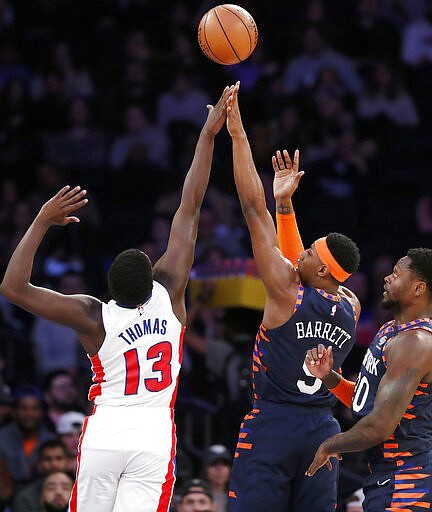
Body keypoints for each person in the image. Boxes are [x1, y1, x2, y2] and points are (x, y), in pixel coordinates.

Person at [0, 84, 233, 512]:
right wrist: (208, 134)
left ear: (108, 288)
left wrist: (40, 220)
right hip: (153, 433)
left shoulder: (94, 315)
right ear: (153, 275)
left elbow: (13, 288)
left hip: (107, 429)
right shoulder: (171, 291)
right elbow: (191, 204)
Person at [225, 81, 361, 512]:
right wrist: (286, 207)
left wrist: (238, 135)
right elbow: (300, 269)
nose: (299, 251)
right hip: (323, 428)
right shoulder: (350, 306)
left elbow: (251, 208)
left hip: (273, 423)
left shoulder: (286, 291)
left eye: (308, 250)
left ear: (320, 269)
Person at [305, 248, 432, 511]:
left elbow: (379, 426)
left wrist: (330, 445)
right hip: (386, 475)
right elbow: (367, 402)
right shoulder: (390, 331)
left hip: (409, 481)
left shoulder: (416, 342)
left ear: (419, 288)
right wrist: (329, 378)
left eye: (396, 274)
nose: (387, 278)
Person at [12, 438, 69, 512]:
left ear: (67, 462)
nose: (54, 464)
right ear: (39, 464)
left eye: (59, 458)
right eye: (48, 459)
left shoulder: (82, 491)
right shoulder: (25, 498)